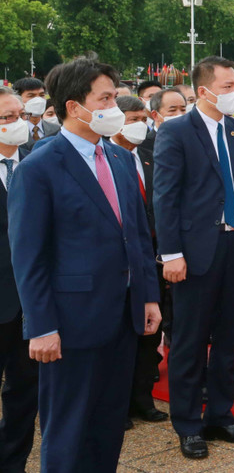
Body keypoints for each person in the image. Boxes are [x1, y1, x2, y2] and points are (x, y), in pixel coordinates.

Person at [9, 57, 160, 471]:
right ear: (75, 107)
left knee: (108, 425)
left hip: (123, 316)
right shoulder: (40, 167)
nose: (114, 106)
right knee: (68, 428)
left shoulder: (117, 159)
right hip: (71, 323)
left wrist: (148, 297)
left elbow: (136, 237)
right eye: (105, 98)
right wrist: (41, 326)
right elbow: (29, 256)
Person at [153, 56, 234, 460]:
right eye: (226, 86)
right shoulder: (177, 132)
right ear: (203, 91)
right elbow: (165, 197)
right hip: (194, 251)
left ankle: (220, 414)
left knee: (230, 336)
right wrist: (171, 253)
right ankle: (187, 424)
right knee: (189, 340)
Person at [111, 95, 169, 425]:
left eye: (141, 118)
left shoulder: (149, 154)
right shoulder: (104, 157)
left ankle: (143, 398)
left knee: (150, 331)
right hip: (118, 262)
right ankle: (117, 404)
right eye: (131, 119)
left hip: (152, 257)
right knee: (119, 335)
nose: (139, 125)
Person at [0, 88, 38, 471]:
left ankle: (12, 463)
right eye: (5, 119)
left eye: (20, 115)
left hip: (31, 302)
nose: (16, 124)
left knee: (25, 393)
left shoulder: (34, 163)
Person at [13, 78, 60, 147]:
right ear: (18, 99)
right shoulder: (11, 131)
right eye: (31, 96)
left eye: (41, 95)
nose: (38, 100)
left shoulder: (56, 130)